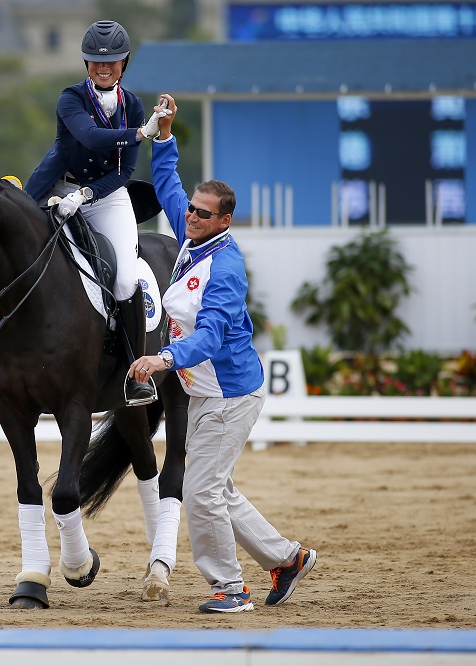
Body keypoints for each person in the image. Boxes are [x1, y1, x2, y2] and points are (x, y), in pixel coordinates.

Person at [130, 94, 317, 613]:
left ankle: (230, 590)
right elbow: (167, 184)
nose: (188, 215)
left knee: (201, 491)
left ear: (225, 221)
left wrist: (162, 359)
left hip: (229, 395)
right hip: (204, 391)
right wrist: (164, 135)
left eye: (202, 212)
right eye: (190, 207)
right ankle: (287, 559)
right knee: (217, 487)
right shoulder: (194, 236)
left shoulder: (226, 270)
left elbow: (210, 337)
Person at [0, 20, 170, 406]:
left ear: (124, 63)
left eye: (111, 63)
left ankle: (134, 373)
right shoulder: (70, 98)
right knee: (8, 257)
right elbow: (88, 137)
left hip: (106, 195)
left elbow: (124, 171)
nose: (103, 69)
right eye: (94, 62)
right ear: (86, 63)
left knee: (124, 280)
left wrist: (88, 194)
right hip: (55, 187)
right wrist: (140, 133)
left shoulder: (134, 105)